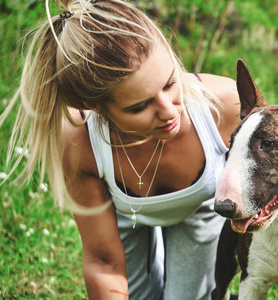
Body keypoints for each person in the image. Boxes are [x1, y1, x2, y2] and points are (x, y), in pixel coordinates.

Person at [1, 0, 241, 299]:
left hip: (200, 208)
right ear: (95, 107)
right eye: (140, 106)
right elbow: (103, 263)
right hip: (126, 214)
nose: (169, 112)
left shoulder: (227, 107)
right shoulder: (80, 143)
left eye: (169, 84)